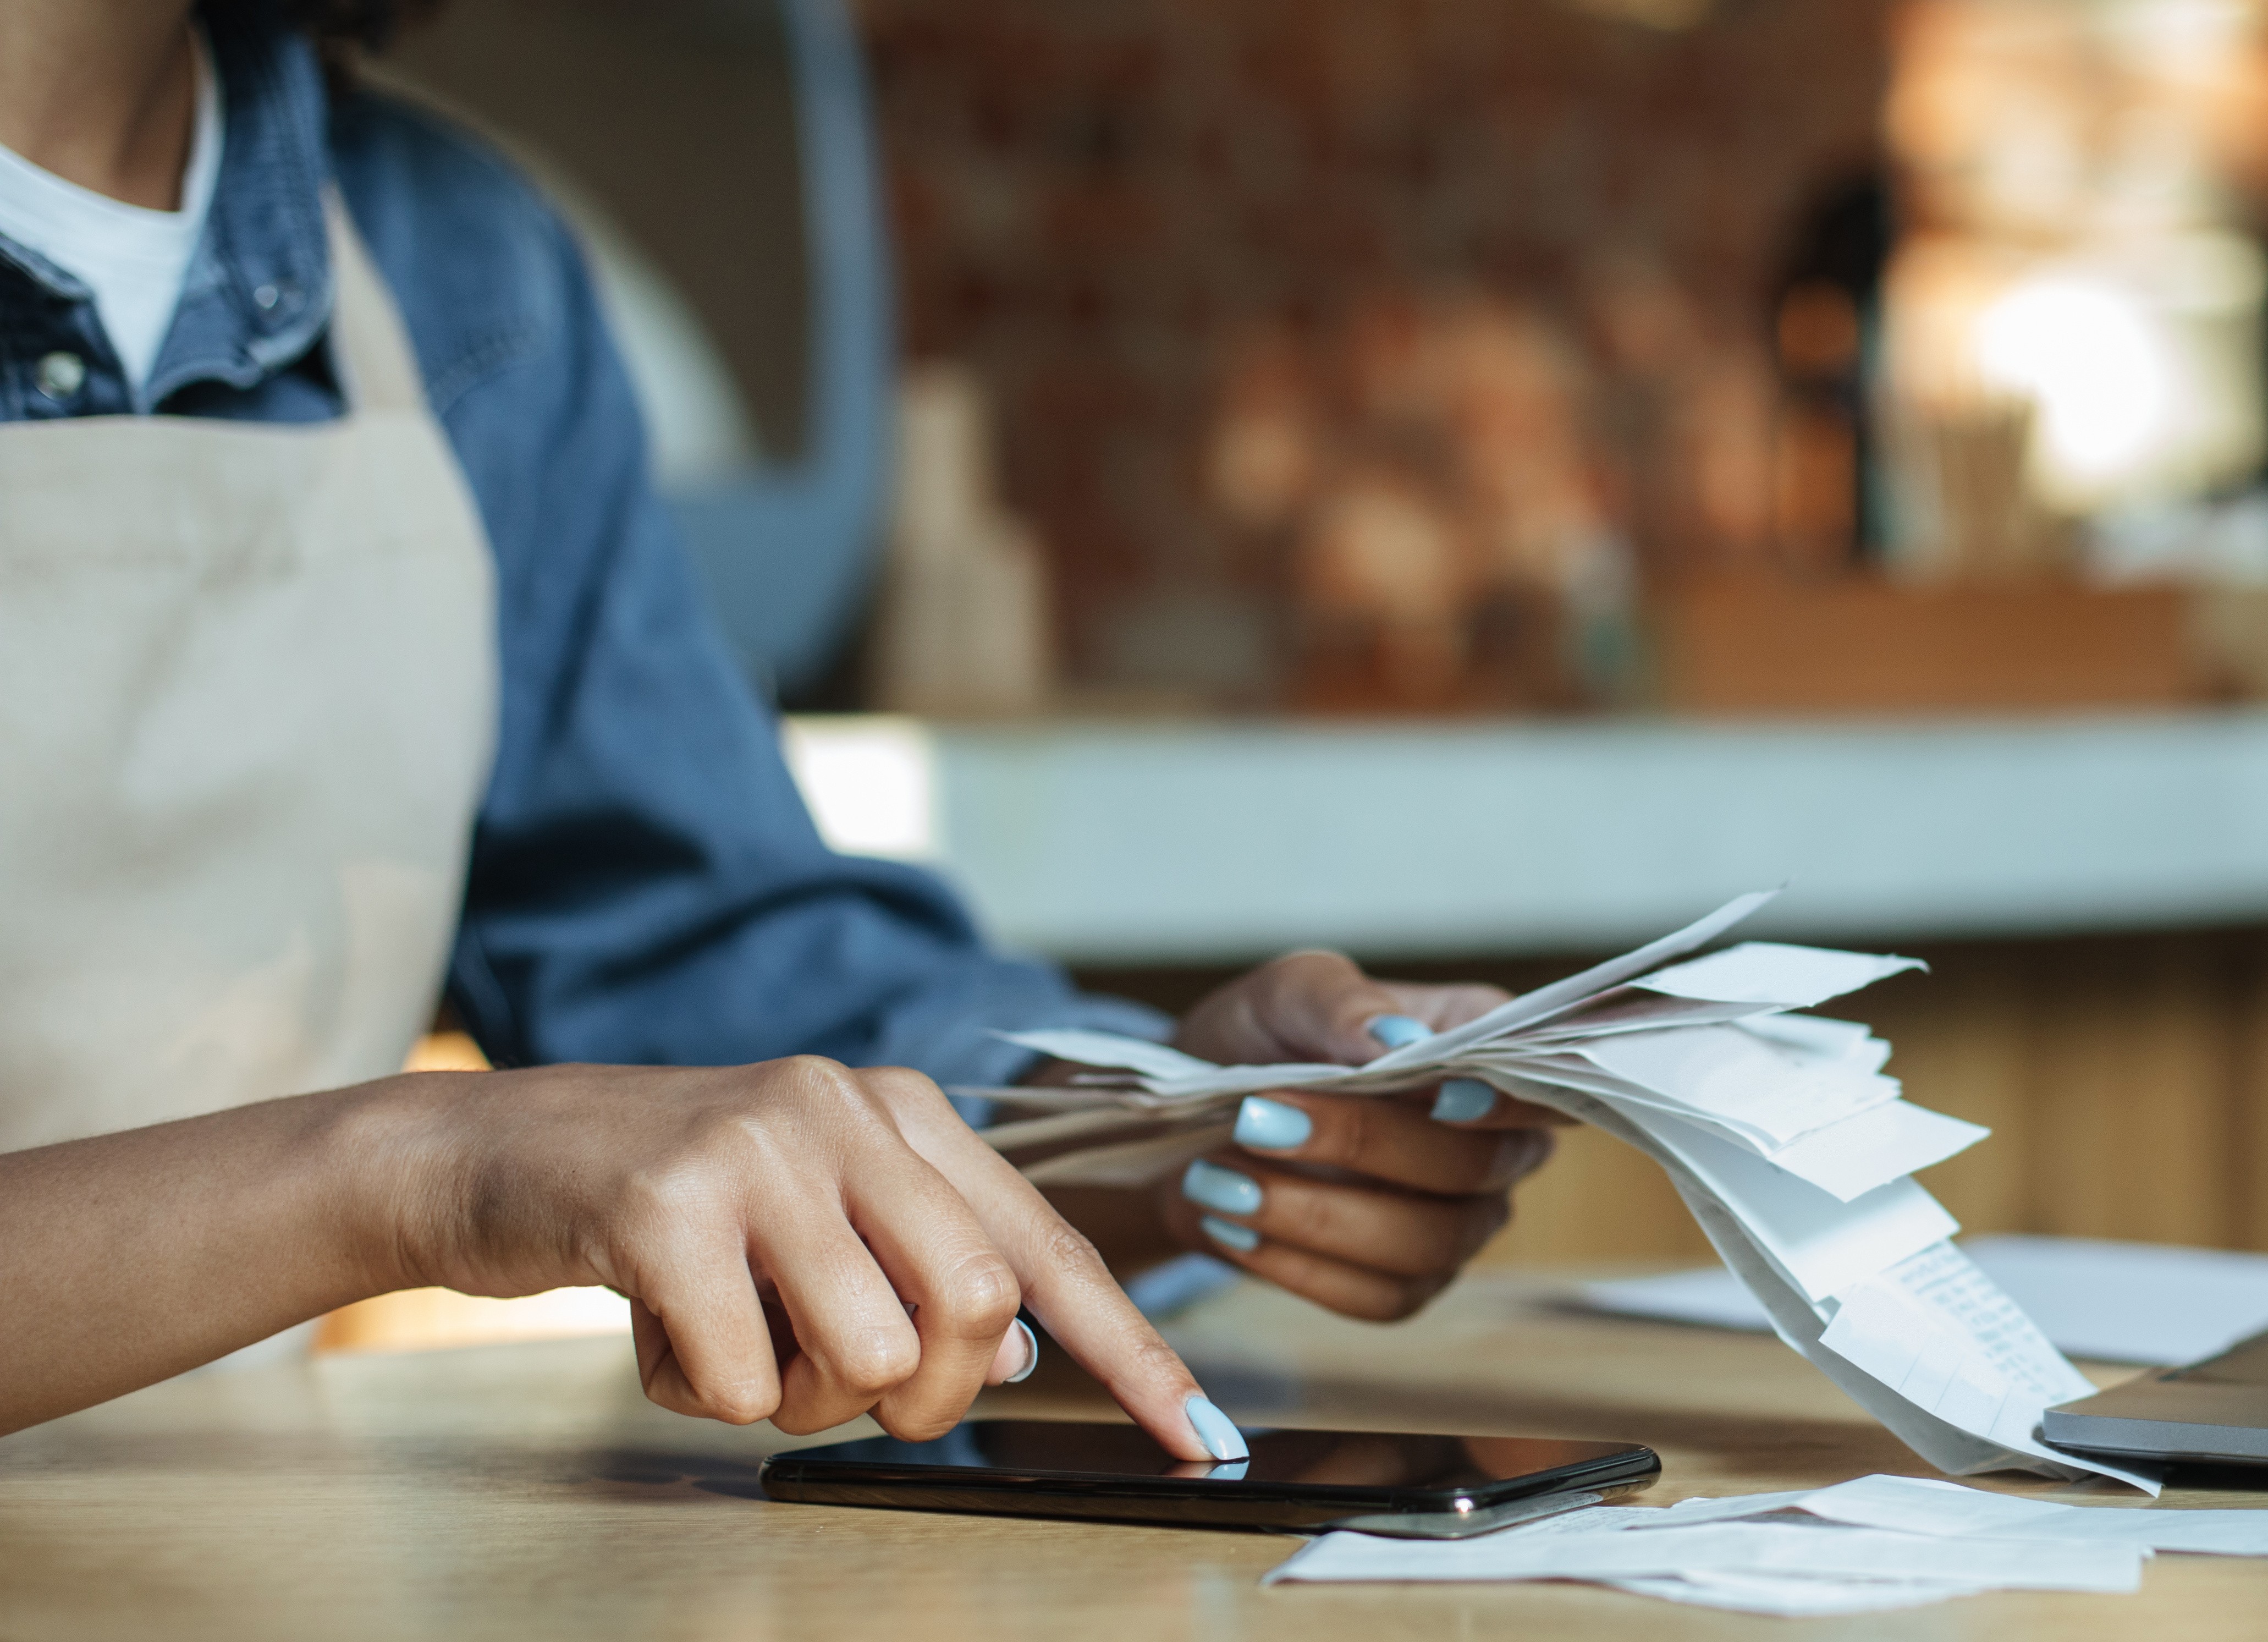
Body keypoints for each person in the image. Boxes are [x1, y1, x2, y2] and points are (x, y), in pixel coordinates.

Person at [0, 0, 1561, 1452]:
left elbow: (689, 949)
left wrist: (1147, 1125)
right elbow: (487, 1148)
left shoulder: (454, 269)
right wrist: (419, 1173)